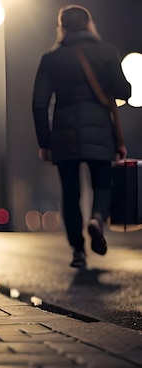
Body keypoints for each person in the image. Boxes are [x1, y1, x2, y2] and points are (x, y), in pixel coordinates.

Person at [32, 5, 131, 268]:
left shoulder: (51, 58)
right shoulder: (107, 53)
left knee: (70, 193)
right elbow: (125, 91)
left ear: (62, 27)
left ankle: (78, 251)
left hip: (64, 135)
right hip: (100, 131)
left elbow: (39, 103)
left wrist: (45, 142)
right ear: (89, 24)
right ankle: (97, 218)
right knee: (102, 184)